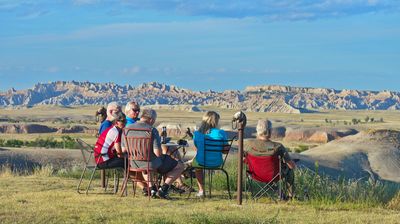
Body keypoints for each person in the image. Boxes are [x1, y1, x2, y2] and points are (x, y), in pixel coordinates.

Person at [122, 109, 184, 199]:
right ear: (151, 120)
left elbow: (124, 149)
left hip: (134, 163)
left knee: (146, 166)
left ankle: (152, 189)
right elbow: (157, 153)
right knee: (180, 166)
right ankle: (164, 189)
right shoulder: (151, 130)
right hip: (150, 163)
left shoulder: (126, 129)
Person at [245, 119, 296, 200]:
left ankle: (279, 192)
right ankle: (291, 196)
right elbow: (291, 166)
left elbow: (244, 160)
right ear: (270, 131)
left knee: (268, 172)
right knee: (289, 171)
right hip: (273, 176)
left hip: (255, 175)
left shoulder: (248, 144)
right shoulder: (278, 147)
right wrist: (291, 164)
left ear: (257, 130)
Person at [192, 111, 228, 197]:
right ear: (215, 121)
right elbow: (226, 150)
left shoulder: (197, 134)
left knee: (197, 167)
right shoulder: (221, 133)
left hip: (201, 162)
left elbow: (197, 148)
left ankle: (201, 190)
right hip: (217, 162)